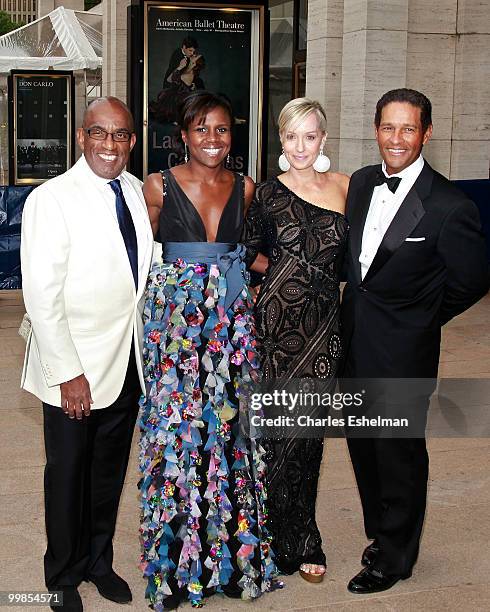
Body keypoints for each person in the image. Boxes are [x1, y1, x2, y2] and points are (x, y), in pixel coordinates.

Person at [340, 88, 489, 594]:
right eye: (388, 127)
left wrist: (422, 317)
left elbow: (472, 279)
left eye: (408, 129)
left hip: (404, 355)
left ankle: (396, 558)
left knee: (398, 458)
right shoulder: (360, 183)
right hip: (354, 345)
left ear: (426, 134)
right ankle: (382, 534)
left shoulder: (449, 204)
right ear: (376, 130)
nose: (396, 139)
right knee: (364, 452)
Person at [139, 91, 279, 611]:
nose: (212, 140)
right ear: (182, 135)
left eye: (221, 129)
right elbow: (139, 252)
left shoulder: (246, 187)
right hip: (178, 328)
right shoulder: (158, 186)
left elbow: (253, 250)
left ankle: (231, 562)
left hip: (231, 328)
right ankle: (175, 569)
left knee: (229, 432)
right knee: (178, 436)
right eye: (201, 130)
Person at [20, 96, 154, 612]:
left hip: (126, 365)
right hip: (73, 369)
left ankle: (99, 562)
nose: (109, 144)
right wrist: (67, 373)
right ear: (82, 137)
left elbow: (145, 272)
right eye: (99, 133)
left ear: (132, 142)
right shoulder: (52, 199)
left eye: (119, 135)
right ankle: (62, 576)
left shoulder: (140, 193)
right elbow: (42, 296)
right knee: (68, 475)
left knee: (107, 474)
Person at [242, 98, 349, 582]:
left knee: (306, 438)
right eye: (291, 137)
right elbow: (248, 252)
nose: (301, 146)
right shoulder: (267, 194)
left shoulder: (347, 188)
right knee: (270, 436)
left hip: (324, 329)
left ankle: (304, 537)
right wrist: (290, 272)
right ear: (280, 141)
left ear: (323, 139)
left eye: (310, 136)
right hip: (276, 329)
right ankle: (263, 538)